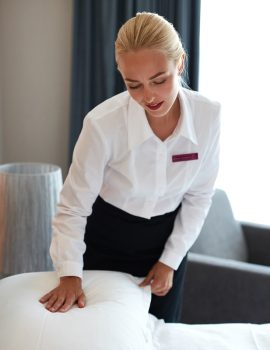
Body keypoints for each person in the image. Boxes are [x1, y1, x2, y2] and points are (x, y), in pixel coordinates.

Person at [39, 12, 220, 323]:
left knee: (159, 334)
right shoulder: (102, 124)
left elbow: (199, 197)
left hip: (166, 241)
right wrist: (70, 274)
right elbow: (73, 207)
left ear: (179, 63)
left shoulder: (208, 117)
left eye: (159, 80)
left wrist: (170, 260)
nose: (148, 96)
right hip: (106, 237)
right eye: (133, 84)